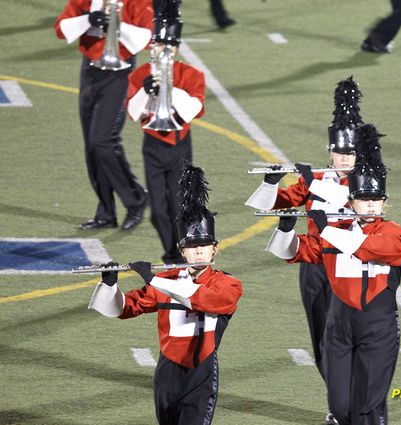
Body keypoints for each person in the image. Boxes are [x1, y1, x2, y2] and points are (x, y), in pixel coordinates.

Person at [266, 123, 401, 425]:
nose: (370, 205)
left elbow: (363, 247)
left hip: (377, 328)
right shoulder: (337, 233)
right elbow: (290, 252)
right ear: (351, 201)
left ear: (384, 201)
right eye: (363, 200)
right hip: (339, 328)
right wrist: (285, 228)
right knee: (341, 409)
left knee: (366, 410)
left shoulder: (394, 233)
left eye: (376, 200)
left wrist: (327, 228)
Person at [245, 76, 364, 424]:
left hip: (351, 265)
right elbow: (277, 205)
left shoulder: (368, 180)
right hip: (314, 262)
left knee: (348, 341)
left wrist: (313, 183)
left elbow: (353, 206)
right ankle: (342, 407)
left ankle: (351, 407)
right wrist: (271, 183)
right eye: (338, 152)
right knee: (321, 341)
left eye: (350, 153)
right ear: (329, 151)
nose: (343, 159)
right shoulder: (317, 179)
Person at [88, 163, 242, 425]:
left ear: (215, 249)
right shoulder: (165, 282)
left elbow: (204, 299)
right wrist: (110, 285)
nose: (199, 252)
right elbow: (122, 309)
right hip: (167, 371)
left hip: (201, 371)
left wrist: (154, 278)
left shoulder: (227, 284)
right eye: (192, 247)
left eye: (205, 246)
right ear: (182, 252)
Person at [54, 0, 152, 230]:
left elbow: (147, 37)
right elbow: (61, 28)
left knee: (102, 141)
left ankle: (136, 197)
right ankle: (106, 212)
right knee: (91, 146)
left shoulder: (137, 2)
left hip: (119, 74)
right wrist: (88, 19)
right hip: (89, 71)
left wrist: (117, 24)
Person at [127, 0, 206, 264]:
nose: (165, 51)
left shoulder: (191, 75)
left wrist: (170, 87)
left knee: (177, 206)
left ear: (178, 47)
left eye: (170, 46)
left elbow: (194, 108)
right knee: (158, 212)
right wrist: (145, 92)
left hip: (179, 147)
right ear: (153, 46)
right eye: (160, 45)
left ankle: (182, 253)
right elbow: (133, 112)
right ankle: (171, 252)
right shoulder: (140, 75)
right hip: (152, 147)